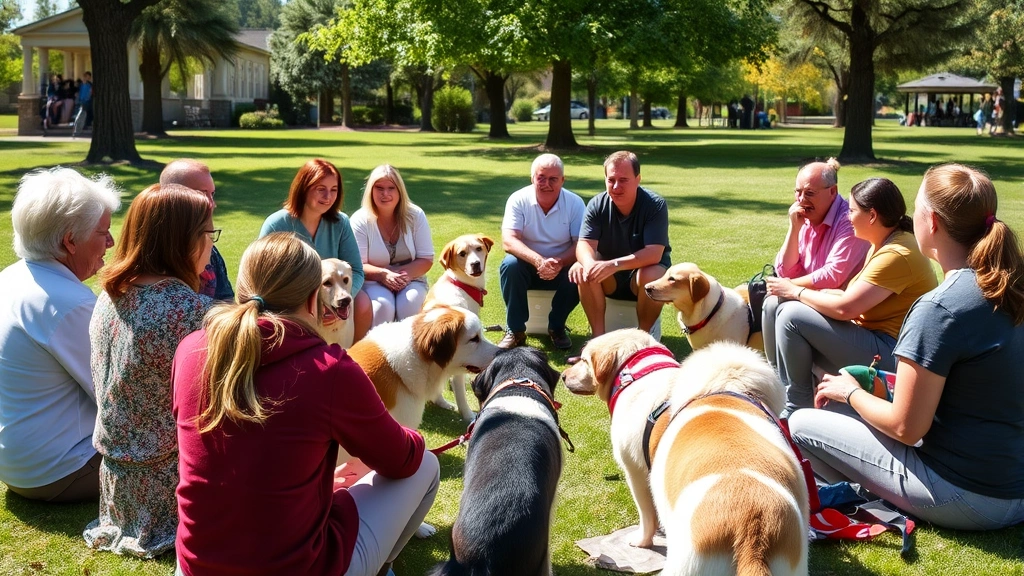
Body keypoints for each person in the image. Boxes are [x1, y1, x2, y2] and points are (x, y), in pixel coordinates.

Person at [173, 232, 439, 576]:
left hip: (198, 565)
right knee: (427, 466)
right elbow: (404, 460)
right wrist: (412, 439)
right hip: (299, 566)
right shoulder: (329, 369)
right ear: (315, 299)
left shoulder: (190, 349)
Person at [790, 164, 1024, 530]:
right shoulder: (1008, 285)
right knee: (848, 413)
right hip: (1012, 483)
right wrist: (873, 383)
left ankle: (850, 497)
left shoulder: (939, 307)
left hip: (970, 497)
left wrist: (851, 392)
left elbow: (907, 428)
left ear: (930, 222)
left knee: (802, 422)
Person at [83, 184, 215, 558]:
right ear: (182, 240)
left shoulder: (112, 292)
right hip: (164, 480)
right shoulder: (186, 310)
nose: (212, 244)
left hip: (115, 476)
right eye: (208, 233)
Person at [766, 178, 937, 413]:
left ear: (872, 216)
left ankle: (796, 405)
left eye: (852, 211)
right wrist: (805, 293)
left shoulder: (897, 253)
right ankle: (780, 390)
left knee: (792, 316)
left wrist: (797, 291)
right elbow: (854, 298)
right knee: (779, 305)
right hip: (873, 339)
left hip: (894, 355)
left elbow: (846, 309)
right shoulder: (884, 242)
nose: (847, 217)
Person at [0, 168, 120, 503]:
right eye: (103, 232)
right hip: (61, 470)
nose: (110, 242)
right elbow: (116, 400)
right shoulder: (69, 304)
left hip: (19, 465)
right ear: (70, 240)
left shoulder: (11, 277)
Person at [761, 158, 870, 361]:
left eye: (809, 193)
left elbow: (833, 275)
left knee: (783, 307)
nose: (801, 200)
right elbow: (786, 270)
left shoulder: (849, 220)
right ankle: (774, 373)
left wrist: (789, 286)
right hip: (815, 298)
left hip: (843, 310)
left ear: (833, 191)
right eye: (797, 192)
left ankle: (787, 382)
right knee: (771, 303)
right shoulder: (806, 218)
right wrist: (794, 229)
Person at [259, 159, 371, 342]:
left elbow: (357, 270)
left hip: (334, 294)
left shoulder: (341, 222)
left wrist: (339, 304)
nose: (328, 196)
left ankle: (353, 359)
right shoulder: (276, 224)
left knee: (364, 303)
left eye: (333, 190)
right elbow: (262, 278)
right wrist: (312, 307)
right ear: (303, 188)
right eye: (321, 189)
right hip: (292, 301)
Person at [569, 151, 671, 337]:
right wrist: (589, 264)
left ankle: (644, 339)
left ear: (638, 179)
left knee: (652, 273)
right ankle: (597, 341)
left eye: (623, 180)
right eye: (611, 180)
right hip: (610, 278)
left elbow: (653, 254)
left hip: (641, 275)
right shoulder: (597, 204)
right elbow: (584, 245)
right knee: (585, 271)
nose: (616, 186)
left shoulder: (654, 205)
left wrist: (613, 264)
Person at [498, 153, 584, 350]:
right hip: (527, 265)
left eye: (553, 179)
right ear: (532, 178)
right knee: (510, 265)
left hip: (562, 266)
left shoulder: (575, 203)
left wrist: (559, 262)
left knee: (579, 270)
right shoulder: (518, 199)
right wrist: (539, 261)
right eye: (541, 177)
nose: (546, 183)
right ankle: (516, 330)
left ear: (563, 180)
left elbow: (581, 244)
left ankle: (557, 327)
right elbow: (509, 241)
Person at [350, 165, 433, 327]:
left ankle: (412, 352)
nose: (385, 194)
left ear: (400, 191)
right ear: (370, 191)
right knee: (382, 308)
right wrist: (383, 275)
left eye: (391, 188)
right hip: (373, 281)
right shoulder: (359, 220)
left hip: (412, 280)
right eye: (379, 188)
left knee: (411, 305)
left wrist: (397, 276)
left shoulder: (415, 216)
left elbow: (426, 258)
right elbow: (357, 265)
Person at [160, 159, 234, 301]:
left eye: (212, 194)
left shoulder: (209, 250)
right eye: (201, 194)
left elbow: (227, 301)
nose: (212, 204)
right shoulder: (153, 251)